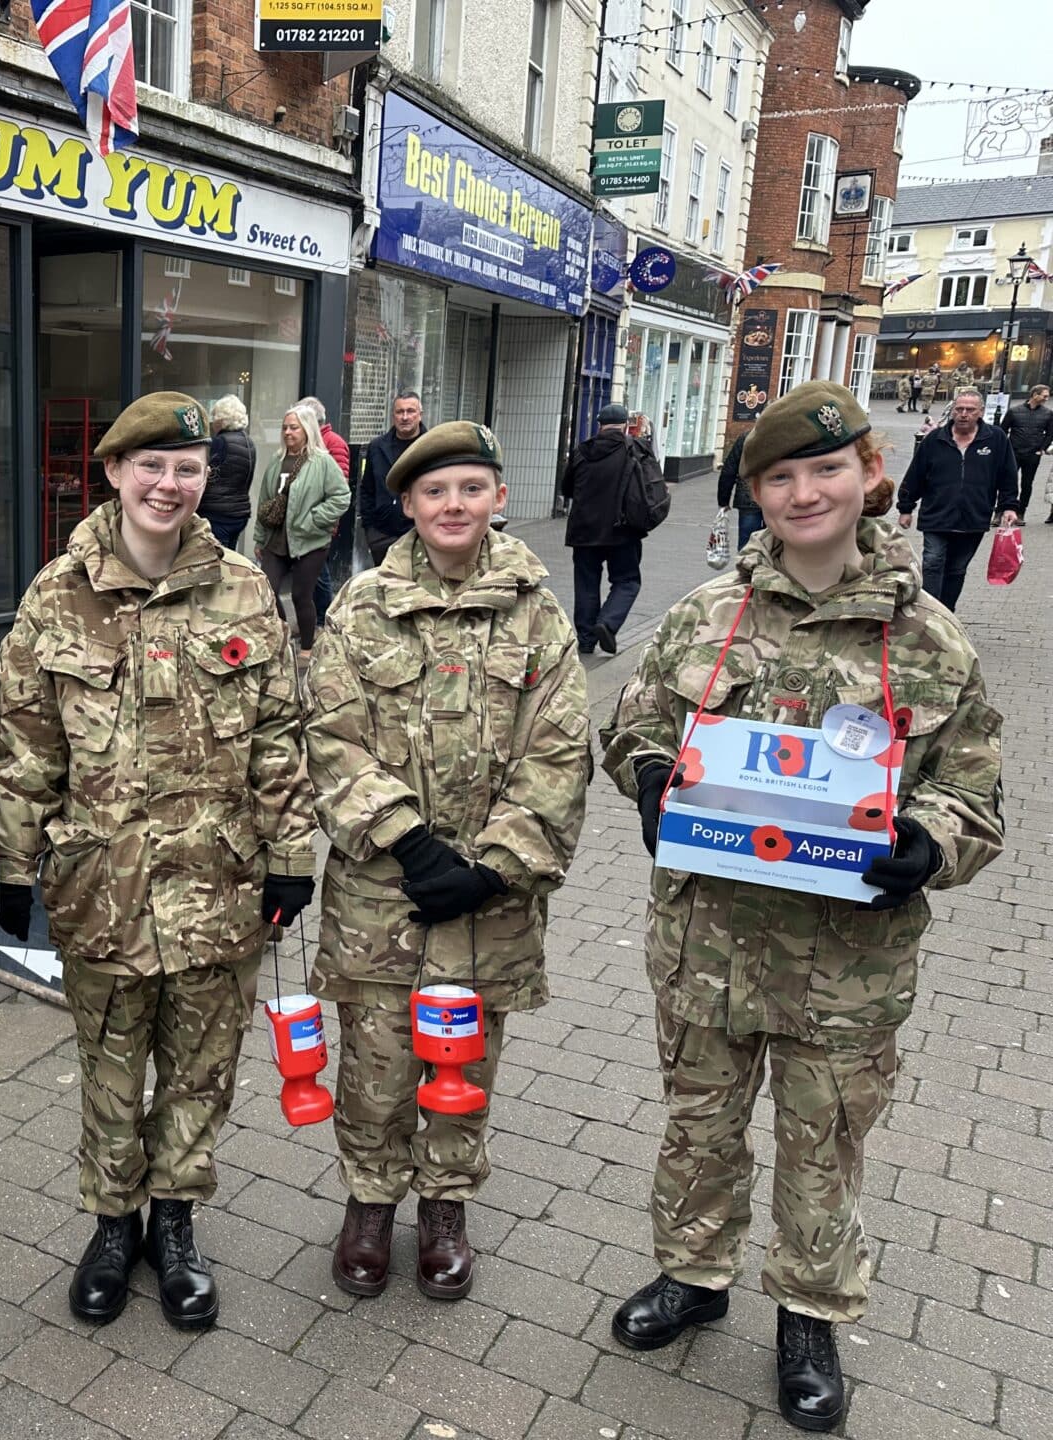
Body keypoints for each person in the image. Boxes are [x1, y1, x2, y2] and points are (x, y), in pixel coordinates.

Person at [600, 380, 1004, 1433]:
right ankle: (694, 1275)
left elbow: (974, 796)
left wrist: (929, 845)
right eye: (780, 477)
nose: (804, 491)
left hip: (848, 959)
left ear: (870, 475)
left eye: (825, 469)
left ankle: (809, 1311)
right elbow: (636, 724)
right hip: (706, 943)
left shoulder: (930, 640)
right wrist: (649, 778)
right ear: (757, 495)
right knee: (699, 1127)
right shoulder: (705, 614)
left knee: (823, 1141)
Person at [0, 392, 318, 1334]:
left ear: (207, 479)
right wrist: (13, 872)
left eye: (186, 469)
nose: (168, 486)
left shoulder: (245, 590)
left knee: (201, 1067)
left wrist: (293, 853)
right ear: (114, 473)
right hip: (102, 889)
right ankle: (109, 1225)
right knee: (109, 1063)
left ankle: (175, 1225)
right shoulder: (57, 595)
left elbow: (278, 737)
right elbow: (25, 748)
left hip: (221, 882)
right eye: (151, 467)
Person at [306, 420, 588, 1305]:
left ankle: (446, 1207)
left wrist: (496, 862)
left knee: (465, 1061)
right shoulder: (360, 607)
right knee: (376, 1060)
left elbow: (562, 747)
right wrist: (410, 841)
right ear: (408, 506)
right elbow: (331, 734)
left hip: (488, 900)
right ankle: (368, 1204)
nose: (454, 505)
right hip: (382, 890)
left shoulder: (539, 612)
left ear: (499, 498)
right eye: (435, 492)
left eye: (471, 488)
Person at [896, 387, 1019, 610]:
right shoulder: (935, 439)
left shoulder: (996, 439)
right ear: (952, 411)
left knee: (956, 569)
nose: (963, 414)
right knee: (933, 563)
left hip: (973, 517)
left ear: (980, 412)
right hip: (936, 515)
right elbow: (915, 475)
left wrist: (1009, 506)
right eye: (959, 409)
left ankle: (947, 611)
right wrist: (906, 507)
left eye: (970, 410)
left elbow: (1007, 474)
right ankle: (931, 612)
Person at [252, 404, 351, 657]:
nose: (287, 432)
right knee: (268, 592)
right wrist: (260, 539)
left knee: (300, 595)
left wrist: (314, 519)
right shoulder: (277, 461)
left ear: (307, 429)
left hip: (310, 541)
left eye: (293, 427)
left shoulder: (322, 461)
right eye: (284, 427)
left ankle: (307, 647)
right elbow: (265, 502)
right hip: (277, 540)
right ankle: (283, 635)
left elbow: (341, 497)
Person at [559, 403, 655, 654]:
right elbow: (652, 486)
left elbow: (566, 488)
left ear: (599, 425)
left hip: (583, 530)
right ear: (625, 425)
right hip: (622, 529)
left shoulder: (582, 451)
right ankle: (607, 622)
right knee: (627, 581)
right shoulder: (634, 449)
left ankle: (587, 639)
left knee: (586, 583)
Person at [303, 395, 356, 625]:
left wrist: (318, 517)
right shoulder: (308, 443)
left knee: (319, 574)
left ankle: (325, 620)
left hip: (319, 523)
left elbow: (339, 489)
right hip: (303, 521)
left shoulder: (333, 443)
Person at [358, 389, 425, 566]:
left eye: (410, 411)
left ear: (420, 415)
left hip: (421, 534)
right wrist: (371, 531)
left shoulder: (432, 447)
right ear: (393, 416)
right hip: (382, 535)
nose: (405, 417)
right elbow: (367, 489)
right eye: (399, 412)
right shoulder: (377, 447)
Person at [201, 394, 256, 551]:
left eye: (214, 417)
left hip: (218, 514)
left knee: (217, 560)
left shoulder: (221, 441)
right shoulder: (248, 441)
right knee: (230, 558)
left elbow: (208, 474)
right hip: (239, 513)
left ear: (221, 419)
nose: (213, 422)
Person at [999, 383, 1053, 520]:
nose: (1047, 399)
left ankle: (1021, 512)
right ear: (1035, 395)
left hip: (1033, 454)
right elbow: (1002, 430)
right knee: (1007, 483)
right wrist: (1005, 449)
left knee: (1027, 484)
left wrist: (1041, 449)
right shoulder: (1014, 411)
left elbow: (1050, 434)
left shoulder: (1048, 414)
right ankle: (999, 512)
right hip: (1013, 453)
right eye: (1044, 396)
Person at [716, 432, 764, 549]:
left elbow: (729, 471)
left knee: (746, 543)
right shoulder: (784, 437)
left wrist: (723, 501)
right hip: (776, 500)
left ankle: (746, 566)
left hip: (748, 499)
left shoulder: (746, 438)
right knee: (776, 542)